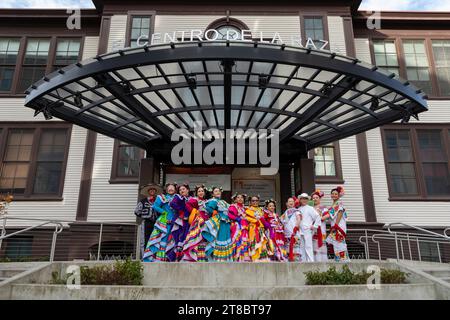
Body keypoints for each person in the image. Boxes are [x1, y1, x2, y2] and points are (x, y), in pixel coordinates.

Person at [143, 183, 178, 262]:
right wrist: (164, 212)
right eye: (169, 188)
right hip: (164, 221)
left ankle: (171, 258)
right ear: (166, 189)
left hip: (175, 221)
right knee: (163, 238)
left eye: (172, 188)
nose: (170, 189)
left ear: (175, 189)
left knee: (173, 239)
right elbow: (155, 206)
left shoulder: (177, 197)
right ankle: (160, 259)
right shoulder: (162, 197)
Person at [182, 185, 212, 262]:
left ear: (204, 192)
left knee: (204, 239)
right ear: (196, 193)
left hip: (206, 222)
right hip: (198, 221)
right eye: (199, 191)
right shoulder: (195, 200)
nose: (201, 192)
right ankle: (195, 257)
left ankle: (202, 258)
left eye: (202, 191)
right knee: (197, 238)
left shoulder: (207, 201)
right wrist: (195, 211)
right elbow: (188, 205)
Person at [202, 187, 232, 261]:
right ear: (213, 193)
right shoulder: (214, 201)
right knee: (220, 238)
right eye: (215, 191)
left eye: (219, 191)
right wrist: (215, 213)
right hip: (220, 222)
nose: (218, 192)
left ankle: (225, 258)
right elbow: (208, 208)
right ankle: (218, 258)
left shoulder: (223, 201)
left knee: (226, 238)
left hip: (226, 222)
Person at [134, 183, 163, 259]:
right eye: (151, 190)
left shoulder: (159, 201)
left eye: (154, 190)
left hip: (157, 223)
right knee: (145, 240)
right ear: (148, 192)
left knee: (156, 239)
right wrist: (145, 216)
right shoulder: (143, 201)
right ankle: (144, 256)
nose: (152, 191)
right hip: (146, 223)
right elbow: (137, 211)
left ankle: (154, 256)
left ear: (156, 191)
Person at [167, 183, 191, 261]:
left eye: (183, 189)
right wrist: (181, 209)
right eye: (180, 190)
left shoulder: (191, 199)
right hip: (179, 221)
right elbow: (172, 204)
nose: (181, 191)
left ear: (188, 190)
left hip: (188, 221)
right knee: (177, 237)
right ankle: (176, 257)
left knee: (186, 237)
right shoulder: (178, 197)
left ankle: (184, 257)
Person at [326, 186, 350, 262]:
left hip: (338, 226)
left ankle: (344, 261)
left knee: (340, 244)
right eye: (332, 194)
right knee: (336, 244)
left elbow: (340, 212)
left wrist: (336, 225)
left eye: (336, 194)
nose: (334, 195)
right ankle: (338, 260)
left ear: (339, 195)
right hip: (334, 226)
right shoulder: (333, 204)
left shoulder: (339, 203)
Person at [246, 195, 271, 261]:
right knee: (255, 243)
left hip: (262, 229)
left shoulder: (261, 210)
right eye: (253, 201)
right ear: (250, 202)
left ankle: (263, 259)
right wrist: (255, 221)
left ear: (259, 201)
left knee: (263, 244)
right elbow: (247, 218)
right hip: (253, 229)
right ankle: (255, 258)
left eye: (256, 200)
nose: (255, 202)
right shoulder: (248, 210)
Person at [298, 193, 321, 262]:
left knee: (308, 246)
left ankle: (310, 261)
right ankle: (303, 261)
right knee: (302, 246)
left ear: (308, 200)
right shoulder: (299, 209)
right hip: (300, 230)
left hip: (307, 230)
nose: (304, 200)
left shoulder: (310, 208)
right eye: (302, 199)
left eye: (305, 199)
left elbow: (317, 217)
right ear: (300, 200)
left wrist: (314, 226)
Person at [228, 193, 250, 262]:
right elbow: (229, 215)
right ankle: (236, 256)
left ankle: (243, 257)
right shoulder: (233, 206)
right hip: (237, 226)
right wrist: (238, 219)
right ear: (235, 199)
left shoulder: (245, 208)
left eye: (241, 198)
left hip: (245, 227)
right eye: (238, 197)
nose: (240, 199)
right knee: (237, 240)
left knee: (244, 240)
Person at [311, 190, 330, 262]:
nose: (315, 199)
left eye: (317, 197)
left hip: (321, 230)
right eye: (313, 198)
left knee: (322, 248)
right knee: (314, 248)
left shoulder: (323, 207)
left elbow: (327, 215)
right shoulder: (311, 208)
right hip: (313, 230)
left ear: (320, 198)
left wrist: (319, 218)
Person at [281, 197, 302, 262]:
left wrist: (296, 227)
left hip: (294, 233)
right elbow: (280, 219)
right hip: (287, 234)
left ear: (294, 203)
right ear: (287, 203)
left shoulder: (297, 211)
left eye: (292, 201)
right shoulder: (286, 212)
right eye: (289, 201)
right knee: (288, 251)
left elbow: (299, 219)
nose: (291, 202)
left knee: (295, 252)